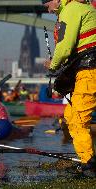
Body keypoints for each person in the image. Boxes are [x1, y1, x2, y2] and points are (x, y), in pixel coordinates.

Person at [43, 0, 96, 175]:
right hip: (85, 71)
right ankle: (86, 159)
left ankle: (89, 164)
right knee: (72, 114)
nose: (46, 7)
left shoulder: (71, 9)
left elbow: (65, 47)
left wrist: (53, 65)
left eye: (46, 2)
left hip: (90, 71)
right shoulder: (79, 8)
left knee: (79, 118)